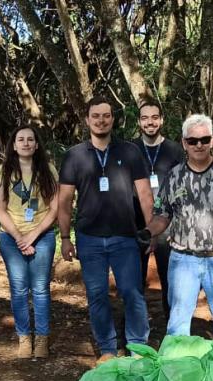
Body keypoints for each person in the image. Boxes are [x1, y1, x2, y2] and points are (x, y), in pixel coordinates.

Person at [139, 114, 213, 339]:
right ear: (184, 143)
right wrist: (148, 231)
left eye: (204, 139)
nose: (199, 145)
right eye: (193, 140)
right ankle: (177, 370)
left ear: (212, 140)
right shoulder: (174, 176)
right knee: (178, 324)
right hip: (184, 260)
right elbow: (162, 216)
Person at [58, 95, 153, 363]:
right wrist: (65, 238)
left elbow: (145, 194)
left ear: (113, 119)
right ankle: (108, 348)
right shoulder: (74, 156)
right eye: (96, 116)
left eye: (106, 115)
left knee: (132, 292)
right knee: (96, 295)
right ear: (87, 120)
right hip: (89, 238)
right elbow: (64, 201)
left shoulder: (129, 152)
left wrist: (151, 230)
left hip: (125, 237)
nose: (101, 120)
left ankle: (137, 346)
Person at [0, 124, 59, 360]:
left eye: (30, 139)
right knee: (19, 289)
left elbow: (54, 208)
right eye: (20, 139)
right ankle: (24, 336)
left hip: (42, 236)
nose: (26, 143)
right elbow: (0, 210)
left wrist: (33, 235)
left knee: (40, 289)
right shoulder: (4, 171)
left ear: (37, 144)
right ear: (13, 144)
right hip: (11, 238)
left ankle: (42, 338)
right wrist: (20, 238)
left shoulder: (48, 170)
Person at [131, 99, 183, 314]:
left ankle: (172, 333)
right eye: (145, 118)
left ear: (161, 120)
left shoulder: (175, 150)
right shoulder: (130, 148)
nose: (150, 122)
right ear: (139, 122)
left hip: (167, 223)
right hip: (135, 221)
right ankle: (133, 336)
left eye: (154, 117)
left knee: (169, 280)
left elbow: (182, 188)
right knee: (134, 281)